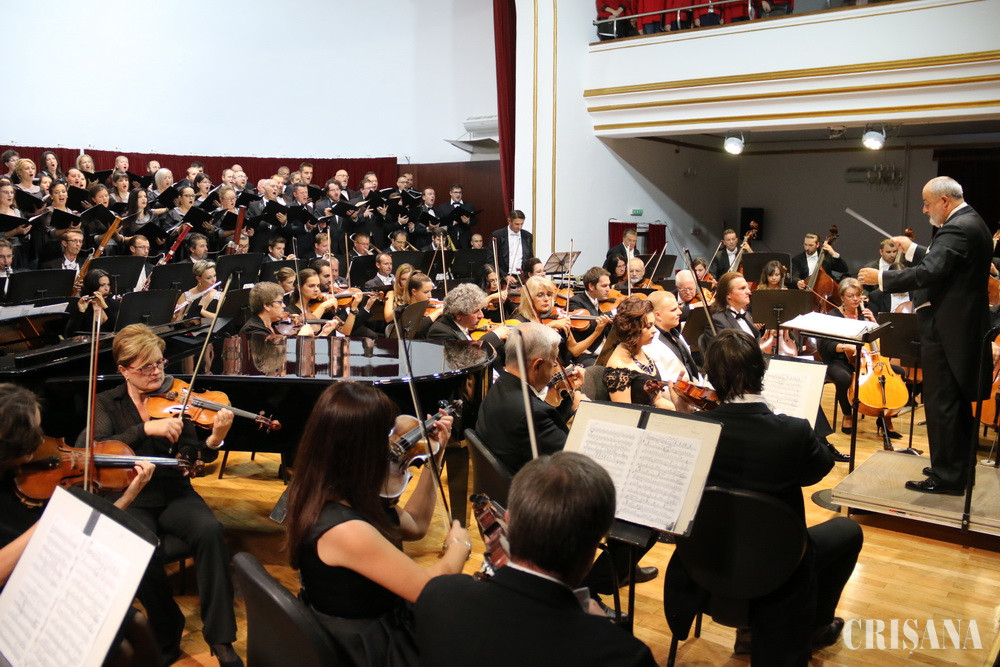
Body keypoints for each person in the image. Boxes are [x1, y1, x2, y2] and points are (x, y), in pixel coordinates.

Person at [665, 330, 863, 664]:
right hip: (780, 566)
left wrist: (689, 415)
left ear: (712, 379)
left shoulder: (694, 430)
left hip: (707, 561)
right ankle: (815, 626)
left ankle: (747, 629)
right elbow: (818, 470)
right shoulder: (793, 431)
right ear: (762, 372)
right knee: (848, 530)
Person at [79, 324, 241, 666]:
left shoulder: (176, 398)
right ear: (124, 370)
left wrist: (214, 440)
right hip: (133, 495)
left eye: (159, 363)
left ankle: (221, 638)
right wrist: (144, 429)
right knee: (135, 545)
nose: (156, 372)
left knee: (210, 531)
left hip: (174, 492)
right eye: (146, 367)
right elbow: (92, 447)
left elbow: (192, 454)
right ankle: (167, 624)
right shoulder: (107, 402)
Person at [283, 382, 469, 665]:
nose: (395, 444)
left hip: (374, 621)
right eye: (387, 434)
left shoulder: (334, 491)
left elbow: (416, 524)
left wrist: (435, 455)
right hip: (369, 648)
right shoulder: (346, 530)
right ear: (361, 449)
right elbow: (429, 591)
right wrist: (458, 546)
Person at [415, 451, 657, 666]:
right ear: (594, 546)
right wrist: (603, 633)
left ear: (507, 520)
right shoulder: (624, 655)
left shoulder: (438, 596)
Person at [858, 176, 992, 494]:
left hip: (949, 330)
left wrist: (883, 279)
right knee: (953, 402)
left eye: (927, 203)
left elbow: (932, 271)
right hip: (961, 328)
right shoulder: (971, 222)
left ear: (944, 201)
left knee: (942, 402)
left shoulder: (957, 228)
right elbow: (945, 261)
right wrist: (914, 249)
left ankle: (948, 477)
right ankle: (957, 468)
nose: (924, 209)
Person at [477, 322, 583, 475]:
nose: (555, 367)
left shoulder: (498, 387)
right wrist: (579, 410)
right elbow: (574, 460)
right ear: (537, 365)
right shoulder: (533, 415)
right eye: (553, 361)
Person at [603, 296, 674, 409]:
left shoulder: (642, 352)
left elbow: (657, 400)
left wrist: (680, 410)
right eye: (649, 326)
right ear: (632, 329)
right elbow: (625, 413)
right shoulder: (619, 368)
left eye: (653, 325)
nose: (655, 331)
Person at [427, 283, 509, 359]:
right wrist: (495, 335)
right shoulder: (440, 331)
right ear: (458, 315)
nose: (481, 315)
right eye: (475, 311)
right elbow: (465, 357)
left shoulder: (462, 324)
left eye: (480, 309)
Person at [567, 266, 613, 366]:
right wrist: (612, 313)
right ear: (591, 286)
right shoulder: (575, 302)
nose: (608, 289)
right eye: (604, 286)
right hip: (587, 353)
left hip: (605, 349)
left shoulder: (600, 301)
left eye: (609, 285)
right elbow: (589, 325)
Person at [66, 268, 119, 334]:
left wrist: (105, 307)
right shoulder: (80, 304)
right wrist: (80, 312)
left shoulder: (114, 304)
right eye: (102, 285)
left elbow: (119, 329)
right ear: (92, 286)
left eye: (108, 284)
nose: (107, 289)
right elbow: (70, 334)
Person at [491, 210, 533, 283]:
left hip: (522, 278)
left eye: (522, 224)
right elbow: (491, 260)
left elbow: (530, 258)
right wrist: (504, 276)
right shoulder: (497, 235)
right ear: (509, 221)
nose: (520, 227)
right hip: (503, 278)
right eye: (517, 224)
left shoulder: (527, 236)